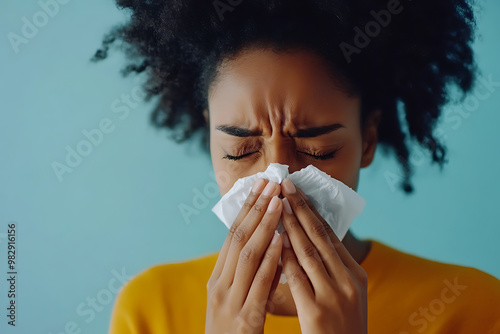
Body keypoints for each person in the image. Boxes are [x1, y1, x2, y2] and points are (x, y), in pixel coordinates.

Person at [92, 0, 500, 333]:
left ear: (368, 139)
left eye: (318, 149)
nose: (278, 178)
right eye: (240, 150)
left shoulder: (469, 306)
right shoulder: (150, 309)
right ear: (211, 139)